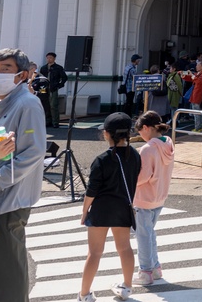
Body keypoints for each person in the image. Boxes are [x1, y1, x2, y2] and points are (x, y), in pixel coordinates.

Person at [0, 48, 46, 302]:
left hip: (8, 200)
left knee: (8, 272)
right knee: (1, 269)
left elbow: (32, 153)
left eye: (5, 69)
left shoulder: (27, 103)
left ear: (21, 75)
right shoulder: (3, 102)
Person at [78, 112, 140, 302]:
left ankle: (85, 294)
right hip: (123, 207)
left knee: (95, 253)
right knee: (125, 248)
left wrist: (84, 211)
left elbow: (91, 191)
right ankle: (127, 287)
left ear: (106, 133)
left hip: (101, 209)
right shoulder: (135, 155)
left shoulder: (102, 160)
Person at [133, 111, 175, 286]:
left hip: (144, 196)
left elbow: (142, 176)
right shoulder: (168, 144)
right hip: (159, 196)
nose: (140, 136)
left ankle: (146, 271)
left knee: (143, 236)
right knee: (149, 233)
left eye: (140, 132)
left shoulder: (148, 148)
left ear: (146, 128)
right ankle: (155, 268)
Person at [40, 52, 67, 128]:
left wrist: (59, 85)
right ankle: (47, 121)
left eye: (50, 58)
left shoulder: (58, 67)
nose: (49, 59)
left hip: (53, 88)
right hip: (44, 88)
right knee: (45, 105)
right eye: (47, 58)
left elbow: (64, 77)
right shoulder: (43, 68)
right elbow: (41, 78)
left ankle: (55, 122)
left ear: (54, 58)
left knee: (53, 105)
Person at [188, 61, 202, 132]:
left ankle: (198, 127)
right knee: (195, 112)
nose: (196, 66)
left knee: (197, 113)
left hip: (197, 96)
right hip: (194, 95)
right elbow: (191, 79)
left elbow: (198, 81)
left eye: (198, 65)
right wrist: (184, 75)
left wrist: (192, 75)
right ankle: (198, 126)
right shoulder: (198, 74)